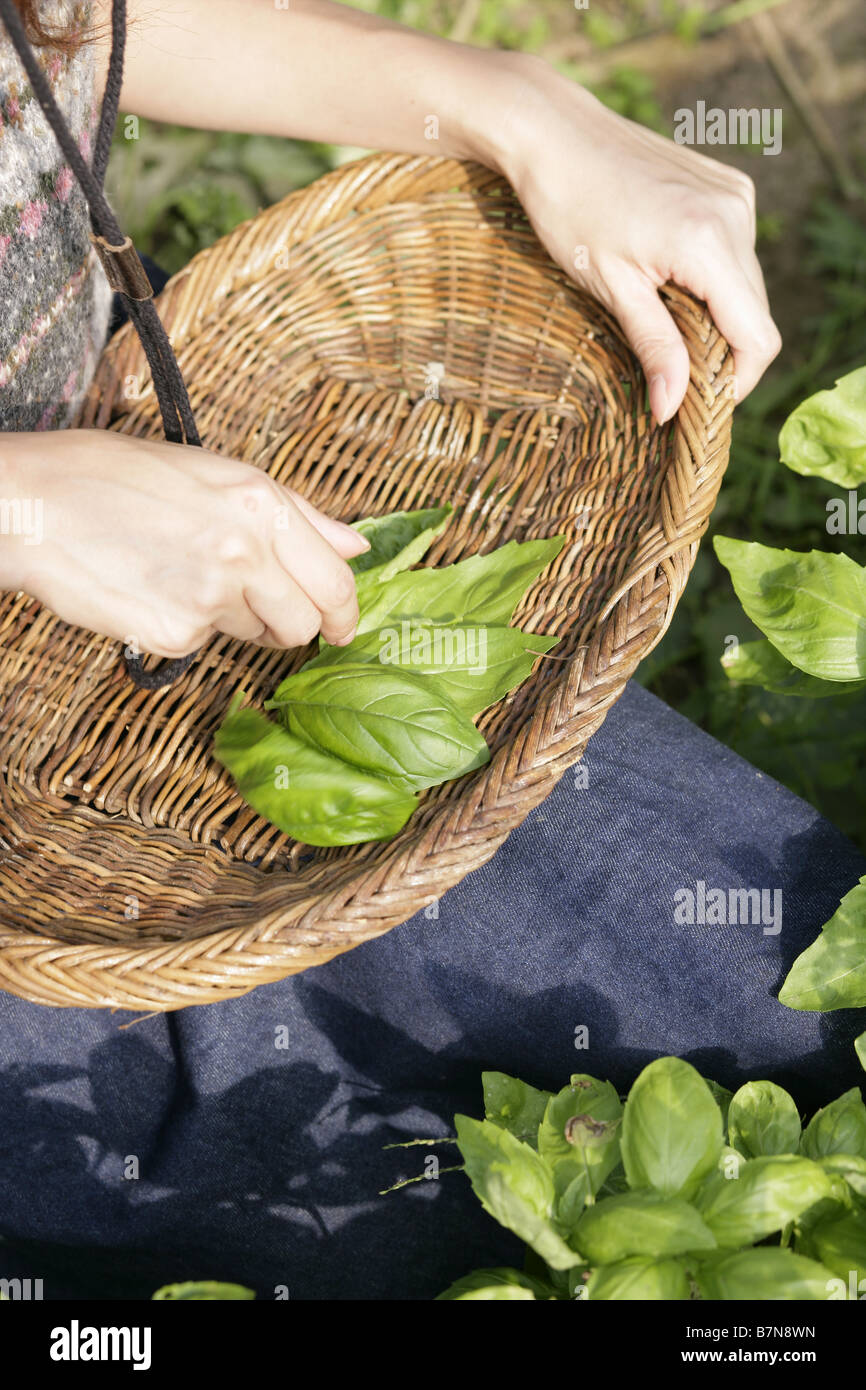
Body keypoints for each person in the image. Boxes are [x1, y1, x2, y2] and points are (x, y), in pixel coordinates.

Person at [0, 0, 861, 1301]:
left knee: (771, 993)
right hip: (51, 855)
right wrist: (27, 507)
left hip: (177, 568)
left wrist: (513, 102)